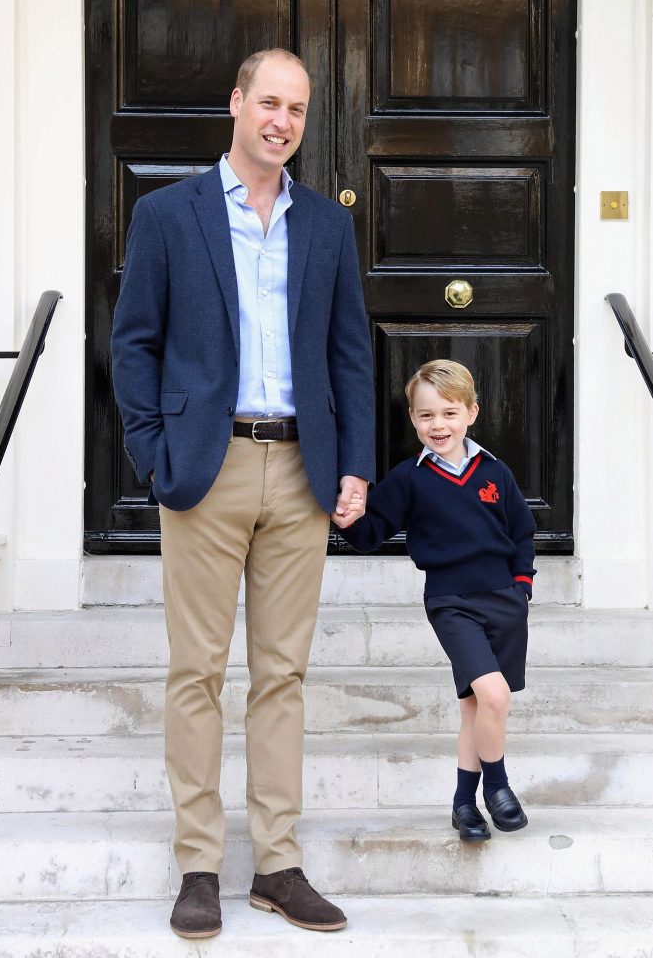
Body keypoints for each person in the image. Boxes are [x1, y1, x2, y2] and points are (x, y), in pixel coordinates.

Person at [111, 48, 374, 939]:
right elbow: (134, 342)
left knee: (282, 674)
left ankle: (276, 862)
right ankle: (196, 863)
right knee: (196, 671)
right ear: (235, 103)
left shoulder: (327, 226)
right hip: (205, 466)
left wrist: (355, 463)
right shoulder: (166, 214)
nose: (282, 121)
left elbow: (349, 352)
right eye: (269, 102)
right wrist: (153, 453)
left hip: (301, 470)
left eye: (297, 109)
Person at [335, 359, 535, 844]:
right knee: (494, 696)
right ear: (412, 419)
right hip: (451, 602)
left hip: (505, 601)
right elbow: (371, 533)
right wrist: (347, 519)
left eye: (448, 413)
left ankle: (463, 804)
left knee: (476, 708)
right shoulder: (409, 479)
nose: (438, 425)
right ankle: (499, 788)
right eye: (426, 416)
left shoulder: (494, 472)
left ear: (471, 413)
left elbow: (522, 533)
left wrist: (522, 587)